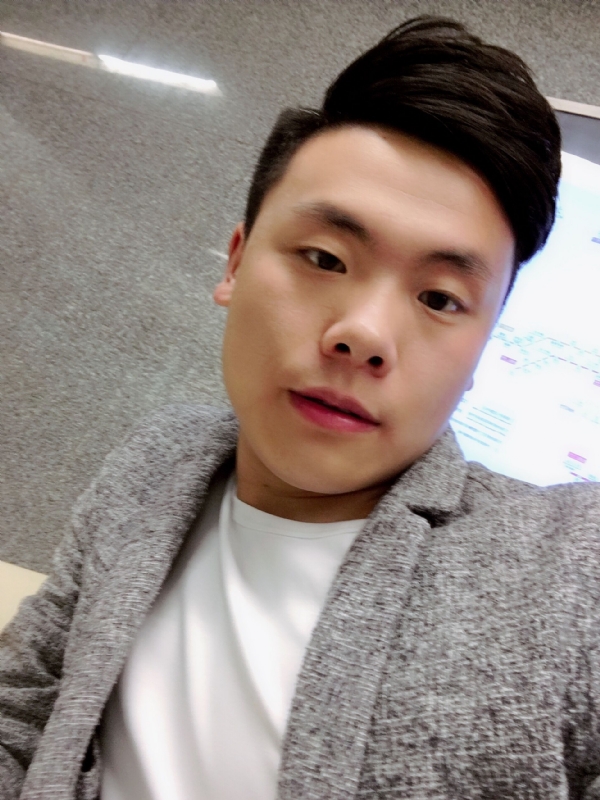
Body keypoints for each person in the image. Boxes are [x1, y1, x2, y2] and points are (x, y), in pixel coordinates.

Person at [1, 14, 598, 800]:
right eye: (324, 257)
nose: (364, 334)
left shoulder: (566, 573)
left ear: (483, 349)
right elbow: (26, 705)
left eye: (440, 298)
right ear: (236, 263)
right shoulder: (155, 462)